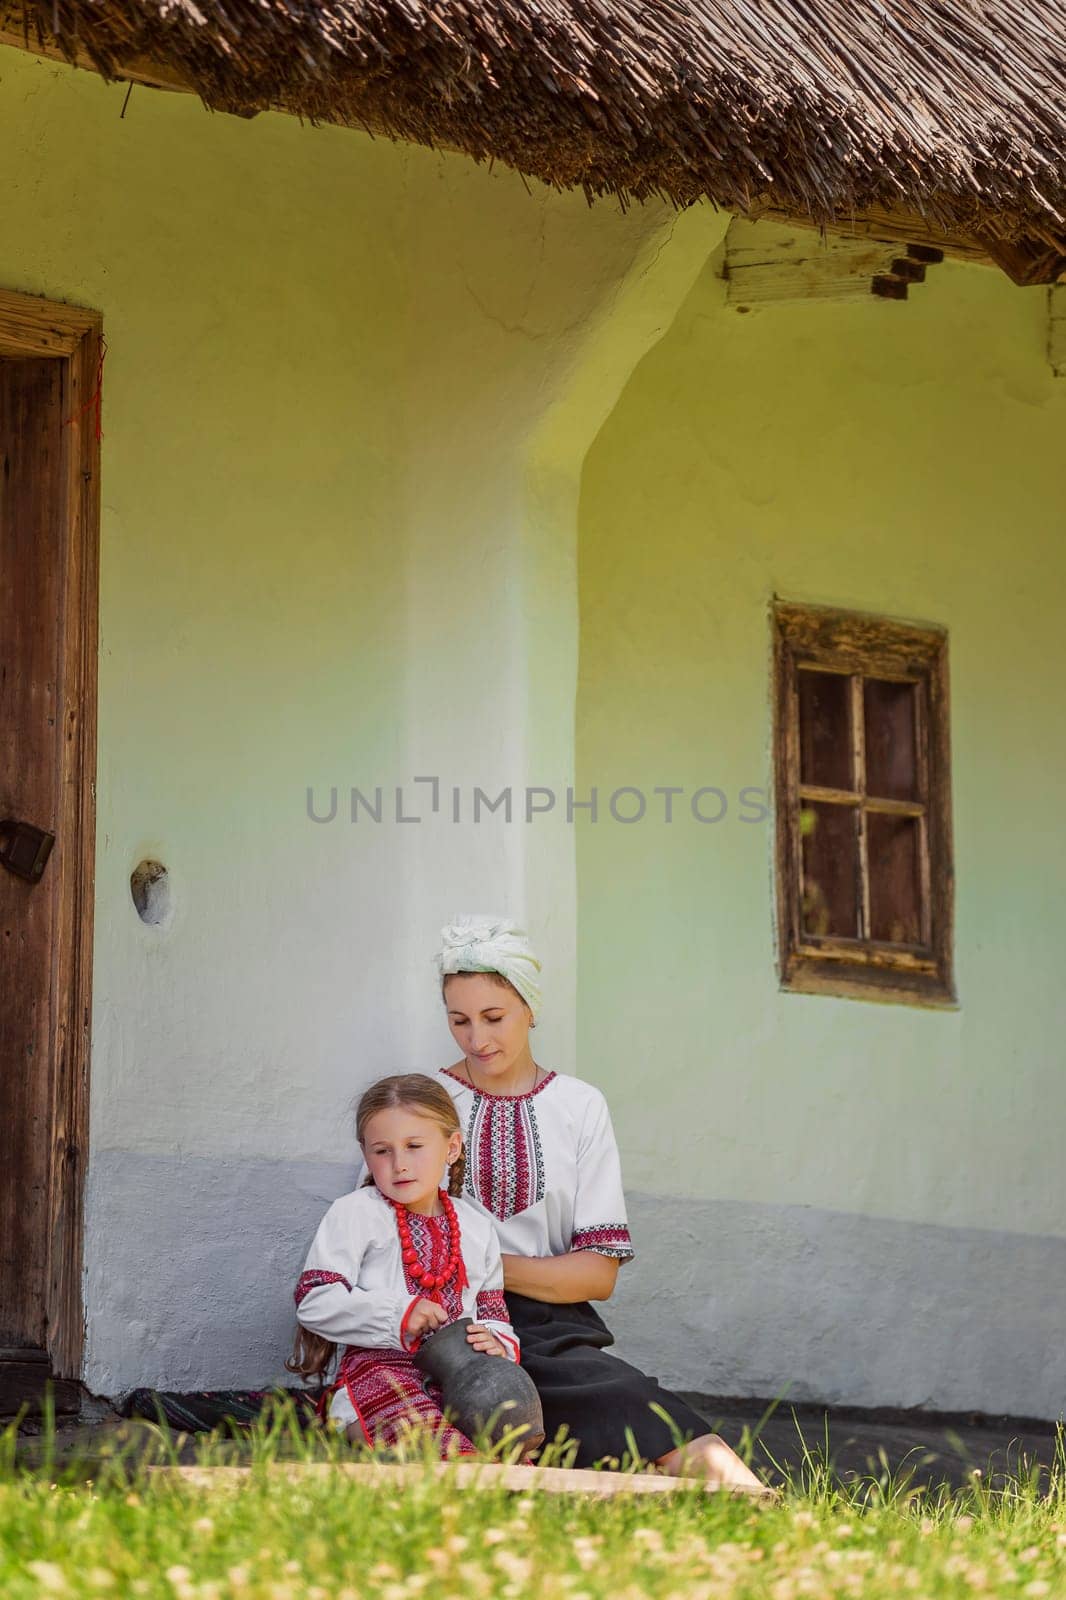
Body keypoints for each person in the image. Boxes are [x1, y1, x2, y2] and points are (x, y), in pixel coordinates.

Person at [434, 915, 766, 1491]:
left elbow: (595, 1274)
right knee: (478, 1388)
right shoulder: (427, 1101)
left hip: (550, 1330)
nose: (477, 1039)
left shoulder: (580, 1105)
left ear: (531, 1009)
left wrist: (485, 1265)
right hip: (450, 1319)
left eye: (494, 1017)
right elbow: (382, 1228)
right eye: (459, 1021)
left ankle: (771, 1516)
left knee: (641, 1406)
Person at [290, 1072, 519, 1454]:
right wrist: (398, 1313)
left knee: (506, 1444)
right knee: (439, 1455)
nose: (399, 1164)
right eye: (382, 1151)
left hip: (458, 1378)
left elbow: (493, 1312)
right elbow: (314, 1302)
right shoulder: (355, 1213)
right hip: (376, 1375)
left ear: (452, 1147)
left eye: (414, 1146)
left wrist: (495, 1341)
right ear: (366, 1154)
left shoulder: (476, 1228)